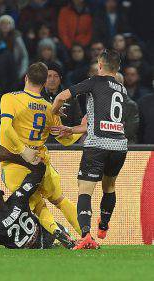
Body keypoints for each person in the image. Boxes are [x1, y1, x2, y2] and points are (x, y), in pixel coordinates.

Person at [51, 49, 128, 249]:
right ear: (117, 68)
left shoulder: (95, 82)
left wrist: (54, 112)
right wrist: (71, 129)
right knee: (109, 187)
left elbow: (61, 96)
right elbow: (97, 122)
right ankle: (103, 225)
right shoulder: (122, 89)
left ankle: (86, 235)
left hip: (97, 145)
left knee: (85, 190)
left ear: (100, 65)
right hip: (119, 145)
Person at [0, 62, 83, 242]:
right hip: (41, 160)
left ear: (26, 78)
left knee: (37, 205)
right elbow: (66, 139)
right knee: (60, 200)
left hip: (16, 163)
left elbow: (6, 128)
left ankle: (57, 232)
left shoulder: (9, 98)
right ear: (45, 83)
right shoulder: (50, 107)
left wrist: (23, 150)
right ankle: (86, 235)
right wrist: (83, 128)